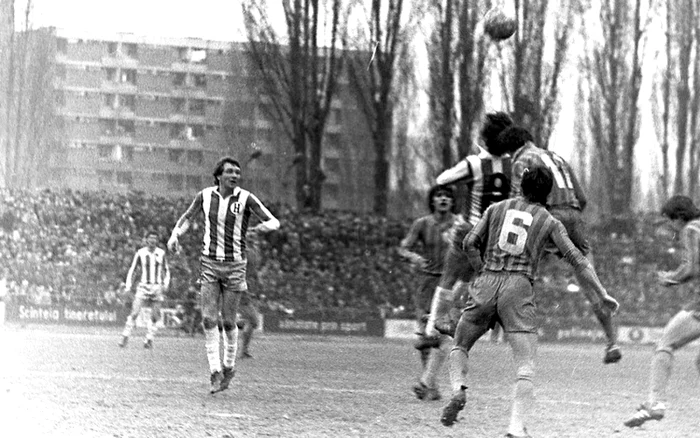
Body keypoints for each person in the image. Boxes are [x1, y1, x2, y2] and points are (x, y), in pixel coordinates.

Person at [440, 166, 619, 437]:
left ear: (521, 185)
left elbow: (469, 242)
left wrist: (482, 269)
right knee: (525, 365)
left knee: (460, 344)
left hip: (488, 281)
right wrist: (601, 292)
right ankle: (514, 429)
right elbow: (577, 259)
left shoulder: (496, 209)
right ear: (548, 192)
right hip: (519, 287)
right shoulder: (549, 221)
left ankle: (458, 390)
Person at [500, 126, 622, 364]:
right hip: (574, 217)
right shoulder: (558, 157)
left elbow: (518, 201)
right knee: (589, 279)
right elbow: (583, 197)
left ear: (512, 148)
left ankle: (509, 327)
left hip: (548, 215)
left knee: (513, 265)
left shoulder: (522, 160)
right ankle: (612, 343)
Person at [167, 156, 279, 394]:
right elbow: (187, 217)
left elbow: (273, 221)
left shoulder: (246, 198)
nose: (235, 175)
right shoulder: (205, 196)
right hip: (209, 263)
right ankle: (215, 371)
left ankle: (229, 368)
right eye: (230, 171)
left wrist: (265, 227)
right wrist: (174, 235)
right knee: (208, 319)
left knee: (228, 321)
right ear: (218, 175)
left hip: (236, 265)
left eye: (237, 172)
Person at [421, 112, 514, 344]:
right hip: (496, 237)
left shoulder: (475, 163)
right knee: (470, 278)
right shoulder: (514, 164)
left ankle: (432, 330)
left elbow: (443, 180)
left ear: (484, 137)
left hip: (471, 229)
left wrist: (468, 177)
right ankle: (461, 322)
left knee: (449, 277)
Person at [623, 195, 700, 428]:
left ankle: (655, 403)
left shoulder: (691, 229)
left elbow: (693, 267)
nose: (670, 228)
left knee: (665, 343)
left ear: (678, 217)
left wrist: (671, 279)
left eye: (669, 222)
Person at [397, 185, 459, 401]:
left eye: (447, 197)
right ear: (432, 201)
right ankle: (429, 384)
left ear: (452, 202)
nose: (443, 199)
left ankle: (427, 383)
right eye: (439, 196)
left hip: (450, 284)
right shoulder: (422, 224)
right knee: (426, 334)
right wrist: (413, 257)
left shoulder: (459, 224)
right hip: (427, 284)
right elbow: (403, 248)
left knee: (442, 335)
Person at [118, 230, 171, 349]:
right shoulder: (140, 253)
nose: (153, 240)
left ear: (157, 241)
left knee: (155, 315)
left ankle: (149, 339)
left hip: (157, 287)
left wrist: (166, 284)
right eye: (150, 238)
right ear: (146, 240)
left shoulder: (161, 253)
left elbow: (166, 270)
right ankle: (125, 336)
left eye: (155, 238)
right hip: (143, 287)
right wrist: (128, 286)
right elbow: (132, 270)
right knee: (135, 312)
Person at [237, 230, 264, 359]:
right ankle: (243, 350)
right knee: (254, 320)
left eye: (254, 236)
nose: (253, 239)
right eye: (250, 236)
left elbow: (253, 270)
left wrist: (258, 282)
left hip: (248, 288)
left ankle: (244, 350)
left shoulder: (254, 251)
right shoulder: (243, 251)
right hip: (241, 289)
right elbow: (239, 269)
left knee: (252, 321)